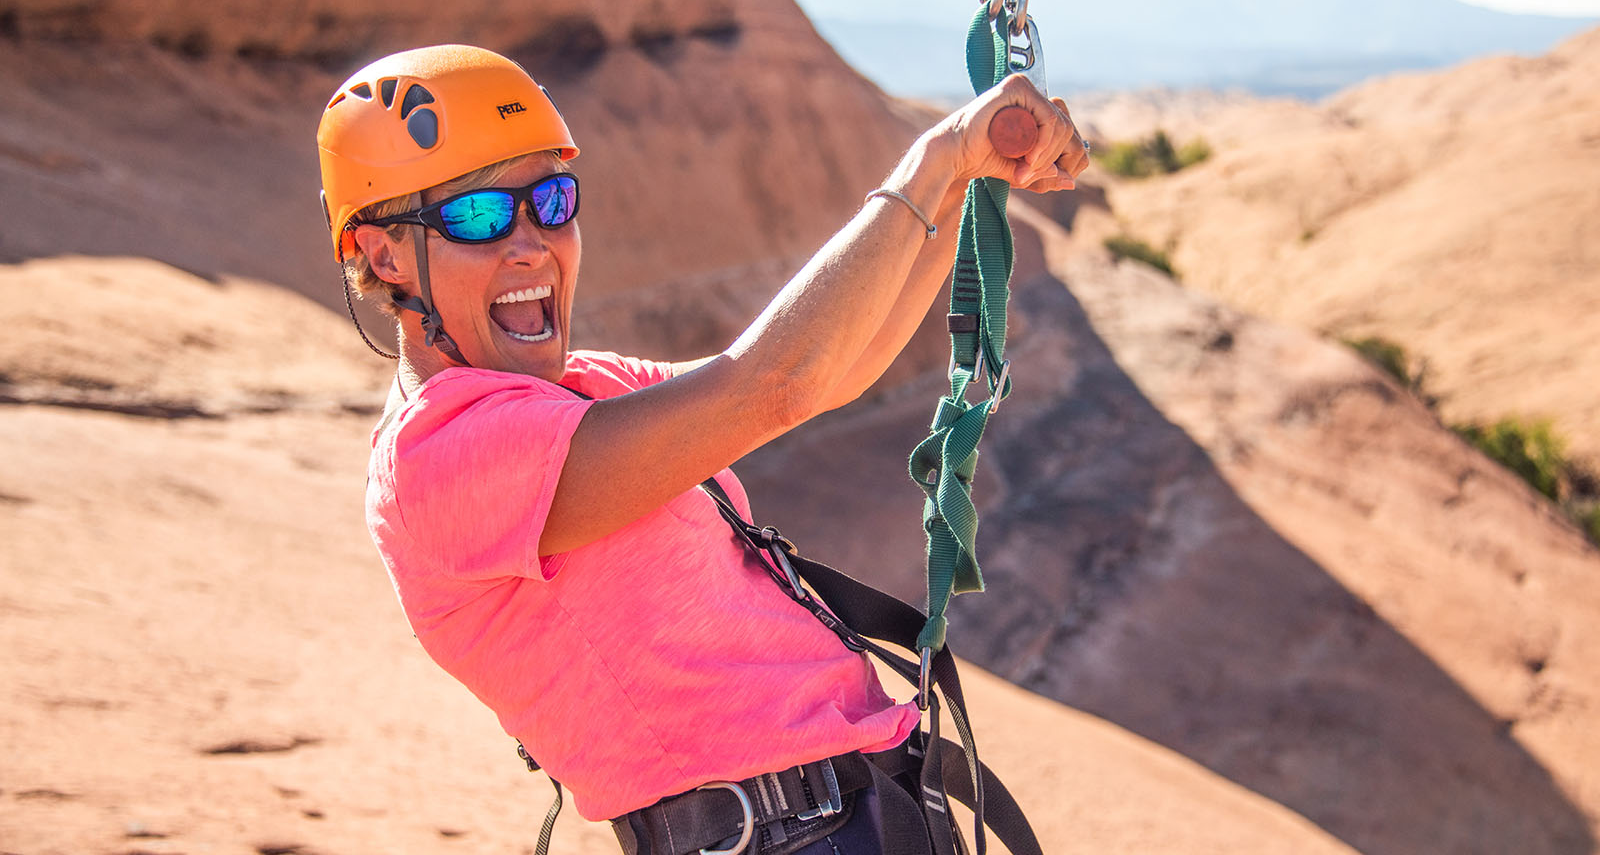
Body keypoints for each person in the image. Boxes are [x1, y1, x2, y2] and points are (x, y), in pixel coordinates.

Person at [316, 43, 1088, 854]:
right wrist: (937, 159)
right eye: (478, 216)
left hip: (857, 813)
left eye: (551, 200)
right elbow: (772, 383)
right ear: (382, 253)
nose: (531, 244)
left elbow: (829, 370)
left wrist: (965, 184)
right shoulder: (438, 459)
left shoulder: (584, 387)